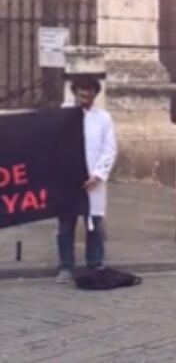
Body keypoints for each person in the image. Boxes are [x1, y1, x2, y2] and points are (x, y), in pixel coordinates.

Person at [56, 77, 117, 283]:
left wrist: (98, 174)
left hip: (93, 179)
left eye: (90, 94)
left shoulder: (103, 118)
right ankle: (65, 266)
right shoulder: (62, 114)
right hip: (67, 178)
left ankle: (95, 263)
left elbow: (109, 148)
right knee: (66, 224)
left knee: (94, 223)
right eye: (82, 94)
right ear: (75, 93)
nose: (86, 98)